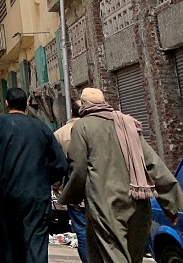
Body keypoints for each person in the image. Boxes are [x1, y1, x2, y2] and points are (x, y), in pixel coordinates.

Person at [59, 87, 183, 263]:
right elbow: (153, 164)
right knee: (133, 257)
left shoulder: (82, 127)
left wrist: (71, 196)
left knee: (113, 254)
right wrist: (171, 206)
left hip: (105, 204)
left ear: (84, 105)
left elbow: (78, 168)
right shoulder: (127, 123)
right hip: (138, 202)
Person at [0, 87, 68, 263]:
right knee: (35, 247)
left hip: (4, 197)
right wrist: (42, 180)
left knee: (2, 246)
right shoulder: (42, 128)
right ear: (26, 104)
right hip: (35, 199)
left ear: (7, 103)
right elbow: (61, 164)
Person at [54, 100, 88, 263]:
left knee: (82, 232)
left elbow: (55, 165)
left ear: (72, 113)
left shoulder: (60, 134)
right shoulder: (100, 128)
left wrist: (58, 187)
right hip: (102, 192)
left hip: (75, 193)